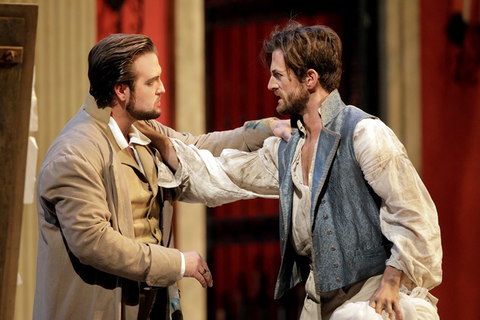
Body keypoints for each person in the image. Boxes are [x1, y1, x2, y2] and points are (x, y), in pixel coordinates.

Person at [147, 21, 442, 319]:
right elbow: (226, 173)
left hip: (375, 293)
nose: (270, 85)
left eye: (278, 75)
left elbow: (415, 215)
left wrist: (392, 282)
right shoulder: (289, 146)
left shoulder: (363, 133)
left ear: (310, 78)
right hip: (319, 298)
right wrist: (163, 144)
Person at [33, 33, 290, 320]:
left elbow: (197, 147)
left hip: (150, 307)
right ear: (120, 90)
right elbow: (94, 242)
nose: (162, 88)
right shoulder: (74, 154)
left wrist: (268, 128)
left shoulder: (143, 130)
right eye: (151, 81)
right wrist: (178, 263)